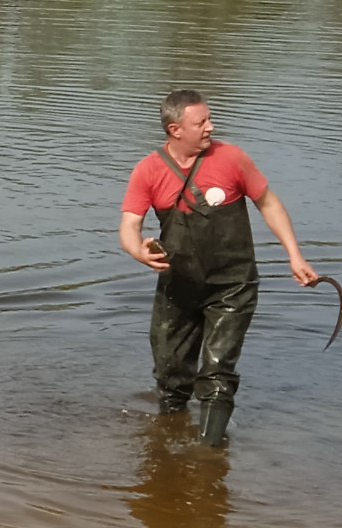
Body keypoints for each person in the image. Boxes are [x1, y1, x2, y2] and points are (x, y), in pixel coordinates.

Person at [118, 89, 319, 445]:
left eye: (210, 120)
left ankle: (208, 452)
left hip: (233, 285)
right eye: (202, 122)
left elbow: (269, 204)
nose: (211, 127)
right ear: (176, 130)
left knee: (217, 370)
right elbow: (130, 223)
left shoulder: (232, 159)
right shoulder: (149, 170)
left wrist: (295, 255)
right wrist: (138, 251)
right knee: (171, 371)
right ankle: (169, 438)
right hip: (177, 285)